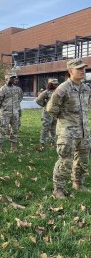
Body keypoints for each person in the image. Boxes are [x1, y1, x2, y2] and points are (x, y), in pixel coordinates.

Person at [46, 58, 91, 199]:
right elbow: (51, 108)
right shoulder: (63, 88)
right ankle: (58, 189)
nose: (83, 70)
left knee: (82, 160)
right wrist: (65, 120)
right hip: (68, 133)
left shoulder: (86, 88)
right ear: (70, 71)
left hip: (84, 131)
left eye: (84, 68)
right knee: (66, 161)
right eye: (79, 68)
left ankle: (78, 183)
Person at [0, 73, 23, 153]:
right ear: (7, 79)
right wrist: (4, 108)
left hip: (15, 113)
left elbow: (20, 98)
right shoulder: (2, 89)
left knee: (15, 130)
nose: (13, 79)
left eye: (14, 78)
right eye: (12, 78)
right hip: (5, 114)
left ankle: (13, 147)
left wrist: (16, 107)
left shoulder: (17, 89)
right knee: (3, 130)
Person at [36, 78, 59, 149]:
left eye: (57, 84)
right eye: (54, 84)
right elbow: (38, 100)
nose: (56, 85)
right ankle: (43, 143)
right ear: (50, 84)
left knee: (53, 128)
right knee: (46, 128)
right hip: (47, 113)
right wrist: (45, 105)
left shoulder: (58, 92)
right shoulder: (46, 92)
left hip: (55, 113)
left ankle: (53, 142)